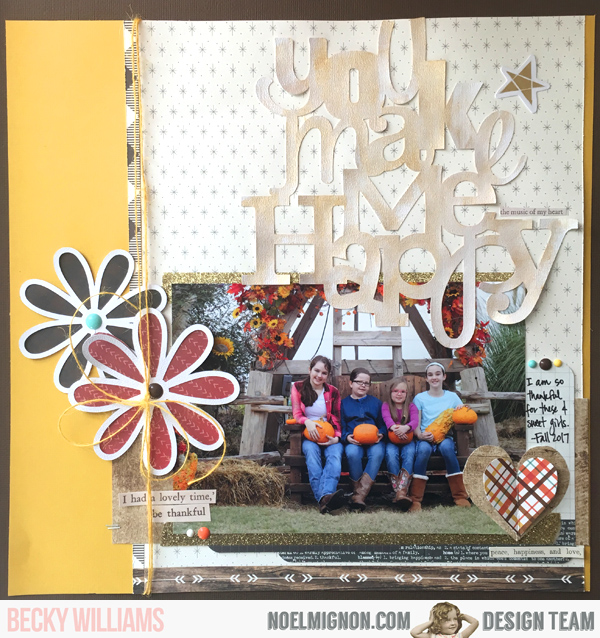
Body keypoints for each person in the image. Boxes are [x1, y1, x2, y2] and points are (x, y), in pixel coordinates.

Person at [409, 362, 471, 512]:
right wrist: (420, 435)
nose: (434, 377)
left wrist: (462, 409)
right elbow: (416, 421)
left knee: (448, 449)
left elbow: (463, 414)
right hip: (426, 437)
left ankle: (460, 495)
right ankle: (415, 499)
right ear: (426, 379)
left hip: (445, 437)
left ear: (444, 377)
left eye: (438, 374)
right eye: (430, 375)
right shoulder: (420, 398)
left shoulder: (452, 397)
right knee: (423, 451)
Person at [290, 355, 344, 514]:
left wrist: (337, 437)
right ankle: (326, 498)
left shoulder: (333, 391)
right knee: (312, 457)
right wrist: (307, 421)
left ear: (328, 375)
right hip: (309, 435)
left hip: (329, 434)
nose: (319, 376)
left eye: (324, 373)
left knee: (335, 457)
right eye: (317, 371)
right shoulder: (298, 387)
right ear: (310, 370)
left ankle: (324, 498)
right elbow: (296, 413)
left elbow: (337, 417)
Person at [341, 368, 386, 511]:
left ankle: (358, 495)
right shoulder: (343, 404)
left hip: (374, 440)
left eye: (366, 383)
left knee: (378, 453)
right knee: (352, 454)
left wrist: (381, 433)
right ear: (351, 383)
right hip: (354, 440)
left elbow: (383, 425)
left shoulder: (376, 403)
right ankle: (359, 495)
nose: (363, 385)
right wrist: (346, 437)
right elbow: (340, 426)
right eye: (359, 382)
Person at [382, 377, 418, 508]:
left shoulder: (411, 406)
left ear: (407, 394)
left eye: (403, 391)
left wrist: (406, 427)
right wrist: (395, 428)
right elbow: (387, 419)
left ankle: (402, 491)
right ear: (390, 392)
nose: (399, 394)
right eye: (396, 391)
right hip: (392, 440)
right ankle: (398, 492)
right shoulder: (386, 406)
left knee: (409, 454)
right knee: (391, 455)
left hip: (408, 440)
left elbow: (415, 420)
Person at [411, 602, 479, 638]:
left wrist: (462, 616)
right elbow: (414, 632)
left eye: (455, 619)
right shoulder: (433, 636)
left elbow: (475, 622)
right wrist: (431, 621)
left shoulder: (460, 636)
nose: (453, 623)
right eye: (447, 620)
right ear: (437, 622)